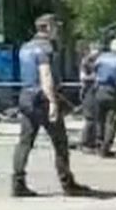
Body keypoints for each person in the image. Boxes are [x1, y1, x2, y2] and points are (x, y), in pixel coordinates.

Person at [11, 13, 94, 198]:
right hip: (42, 99)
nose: (57, 30)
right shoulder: (45, 48)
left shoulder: (25, 47)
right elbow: (45, 75)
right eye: (55, 27)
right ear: (47, 28)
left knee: (24, 143)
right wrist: (53, 103)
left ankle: (17, 183)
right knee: (60, 143)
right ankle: (68, 184)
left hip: (26, 96)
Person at [78, 41, 101, 153]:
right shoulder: (87, 61)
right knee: (90, 119)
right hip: (89, 91)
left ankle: (94, 142)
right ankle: (85, 143)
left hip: (96, 91)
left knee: (96, 119)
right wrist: (96, 77)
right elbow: (83, 77)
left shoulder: (100, 61)